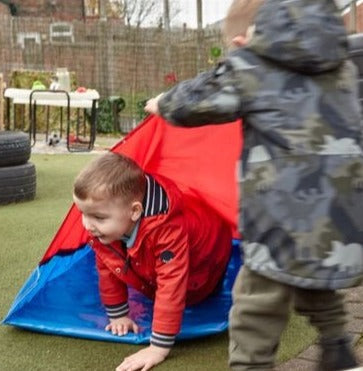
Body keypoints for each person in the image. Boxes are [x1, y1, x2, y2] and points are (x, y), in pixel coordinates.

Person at [145, 0, 363, 369]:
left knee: (254, 310)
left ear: (244, 41)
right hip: (343, 223)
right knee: (315, 279)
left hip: (281, 226)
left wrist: (162, 102)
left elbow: (193, 103)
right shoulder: (343, 65)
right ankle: (338, 346)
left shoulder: (253, 66)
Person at [73, 152, 232, 371]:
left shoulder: (166, 230)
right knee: (113, 249)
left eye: (98, 217)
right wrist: (118, 315)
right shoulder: (104, 225)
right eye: (82, 213)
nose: (88, 225)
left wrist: (158, 348)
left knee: (189, 290)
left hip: (207, 262)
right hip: (154, 244)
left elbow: (172, 282)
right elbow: (109, 266)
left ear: (135, 211)